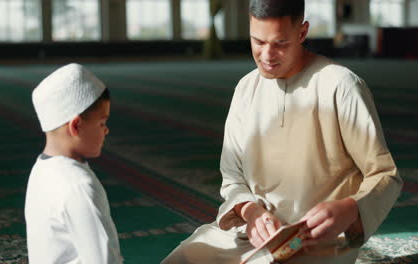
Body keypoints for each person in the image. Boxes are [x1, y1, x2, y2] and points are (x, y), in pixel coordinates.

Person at [161, 0, 402, 263]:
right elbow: (232, 177)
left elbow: (384, 175)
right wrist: (250, 212)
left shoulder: (340, 86)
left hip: (315, 243)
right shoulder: (246, 89)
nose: (266, 56)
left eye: (280, 44)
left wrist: (349, 209)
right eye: (258, 42)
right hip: (250, 236)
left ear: (302, 33)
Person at [25, 63, 123, 263]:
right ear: (76, 126)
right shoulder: (78, 185)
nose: (106, 131)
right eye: (102, 123)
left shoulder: (42, 168)